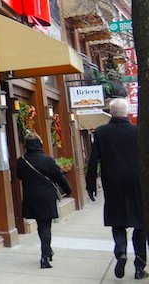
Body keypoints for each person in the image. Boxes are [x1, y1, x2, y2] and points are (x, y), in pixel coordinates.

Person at [86, 98, 146, 279]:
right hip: (137, 183)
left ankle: (120, 252)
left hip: (112, 183)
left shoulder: (101, 132)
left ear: (111, 113)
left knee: (117, 221)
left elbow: (93, 160)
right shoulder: (138, 131)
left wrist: (90, 185)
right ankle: (139, 266)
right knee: (140, 225)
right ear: (127, 112)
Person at [17, 131, 72, 269]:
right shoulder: (47, 160)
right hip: (47, 197)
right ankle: (45, 256)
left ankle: (47, 251)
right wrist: (68, 189)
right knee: (46, 226)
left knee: (41, 225)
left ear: (26, 146)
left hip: (31, 196)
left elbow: (19, 176)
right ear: (40, 144)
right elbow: (59, 176)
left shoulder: (21, 161)